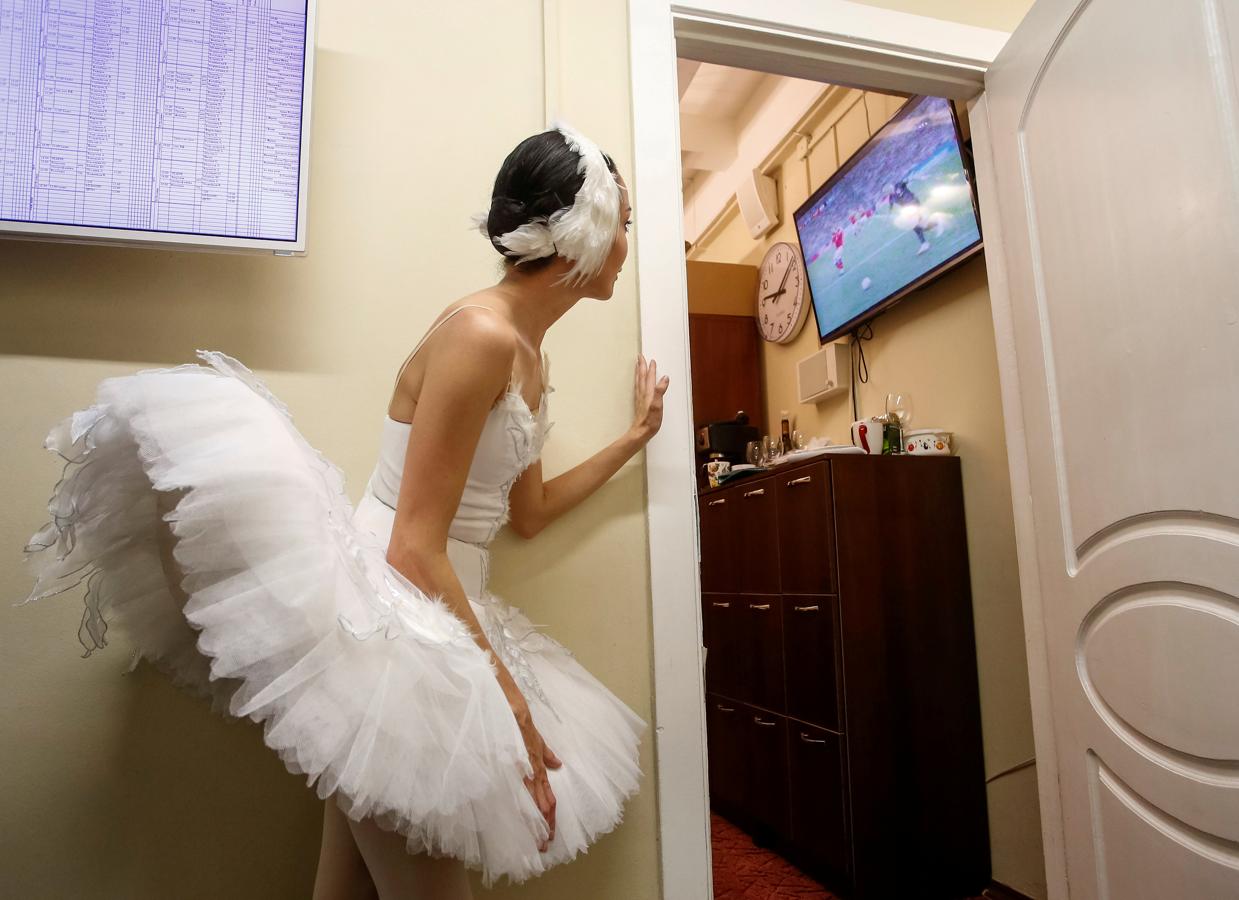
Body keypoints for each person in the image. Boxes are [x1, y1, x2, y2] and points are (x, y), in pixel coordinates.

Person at [19, 121, 666, 899]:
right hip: (389, 619)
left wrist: (634, 438)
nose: (627, 242)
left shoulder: (530, 353)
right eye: (622, 221)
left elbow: (526, 512)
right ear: (582, 229)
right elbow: (411, 547)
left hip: (431, 617)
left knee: (346, 889)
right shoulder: (481, 335)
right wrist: (507, 699)